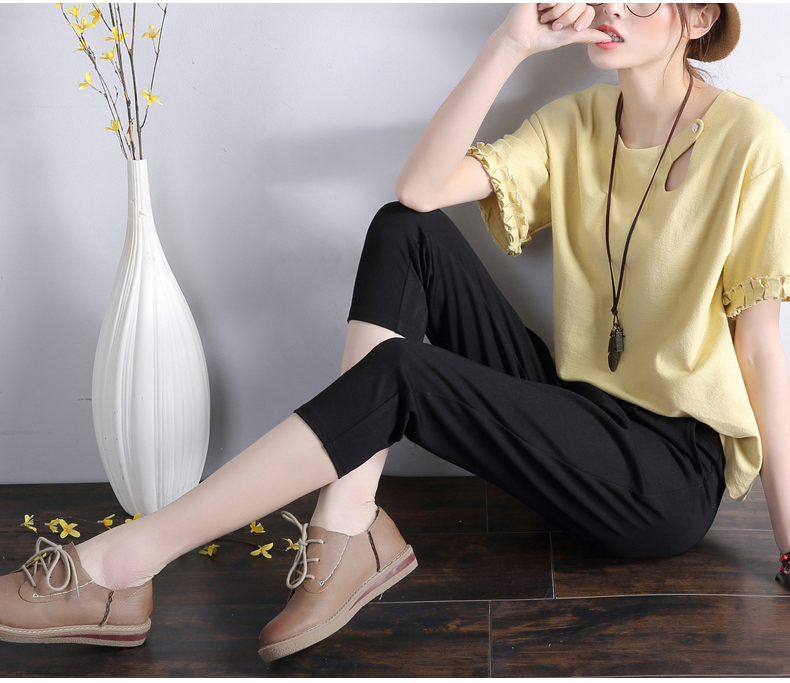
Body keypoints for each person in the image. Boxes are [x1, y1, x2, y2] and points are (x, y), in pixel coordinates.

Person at [2, 0, 789, 665]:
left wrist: (788, 544)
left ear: (698, 18)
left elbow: (759, 348)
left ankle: (124, 560)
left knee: (404, 372)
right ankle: (348, 520)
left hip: (664, 473)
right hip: (573, 410)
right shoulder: (578, 123)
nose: (612, 8)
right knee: (404, 230)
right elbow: (421, 188)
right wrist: (509, 43)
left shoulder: (749, 142)